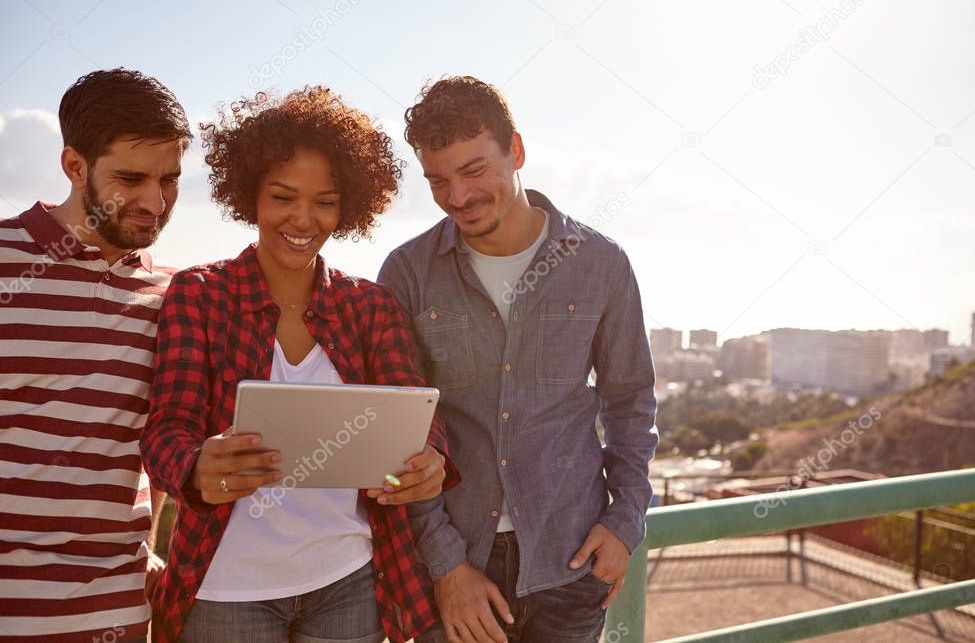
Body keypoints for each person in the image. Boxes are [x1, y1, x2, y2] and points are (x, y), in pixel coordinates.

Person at [139, 86, 457, 643]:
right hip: (225, 589)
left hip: (349, 580)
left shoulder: (369, 306)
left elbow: (415, 410)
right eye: (283, 196)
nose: (304, 219)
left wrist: (431, 456)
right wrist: (194, 465)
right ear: (250, 195)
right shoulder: (200, 293)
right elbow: (166, 427)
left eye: (326, 201)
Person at [378, 76, 658, 643]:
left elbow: (631, 402)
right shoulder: (407, 273)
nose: (457, 196)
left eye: (474, 170)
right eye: (438, 180)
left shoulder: (601, 264)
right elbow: (397, 435)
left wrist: (625, 522)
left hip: (571, 564)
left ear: (518, 151)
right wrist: (446, 567)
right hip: (456, 571)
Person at [0, 68, 190, 642]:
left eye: (170, 179)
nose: (155, 202)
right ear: (74, 166)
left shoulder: (172, 294)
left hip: (116, 608)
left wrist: (153, 546)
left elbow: (161, 433)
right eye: (131, 179)